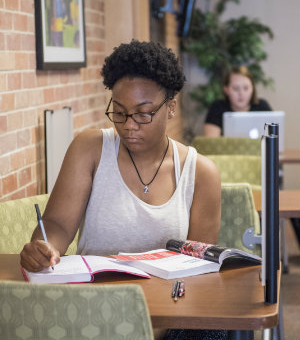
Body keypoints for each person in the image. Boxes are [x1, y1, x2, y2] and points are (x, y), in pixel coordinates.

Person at [20, 40, 223, 340]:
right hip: (93, 313)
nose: (129, 126)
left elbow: (196, 268)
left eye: (143, 114)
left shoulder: (200, 173)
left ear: (170, 107)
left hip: (168, 316)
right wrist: (44, 247)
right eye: (119, 112)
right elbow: (58, 224)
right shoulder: (89, 149)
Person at [204, 65, 272, 137]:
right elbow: (212, 142)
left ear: (252, 89)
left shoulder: (262, 107)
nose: (241, 93)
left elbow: (274, 141)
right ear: (226, 90)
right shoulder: (217, 107)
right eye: (236, 88)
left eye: (246, 88)